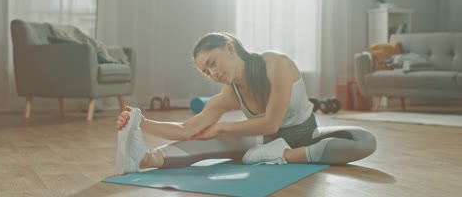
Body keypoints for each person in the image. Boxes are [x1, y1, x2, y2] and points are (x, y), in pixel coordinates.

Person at [115, 32, 376, 174]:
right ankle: (144, 159)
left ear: (229, 46)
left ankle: (284, 156)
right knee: (203, 139)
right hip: (263, 144)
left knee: (364, 140)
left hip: (306, 136)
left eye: (212, 63)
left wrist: (222, 129)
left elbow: (272, 123)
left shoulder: (276, 64)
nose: (212, 74)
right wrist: (141, 122)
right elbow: (186, 129)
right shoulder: (229, 94)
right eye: (206, 72)